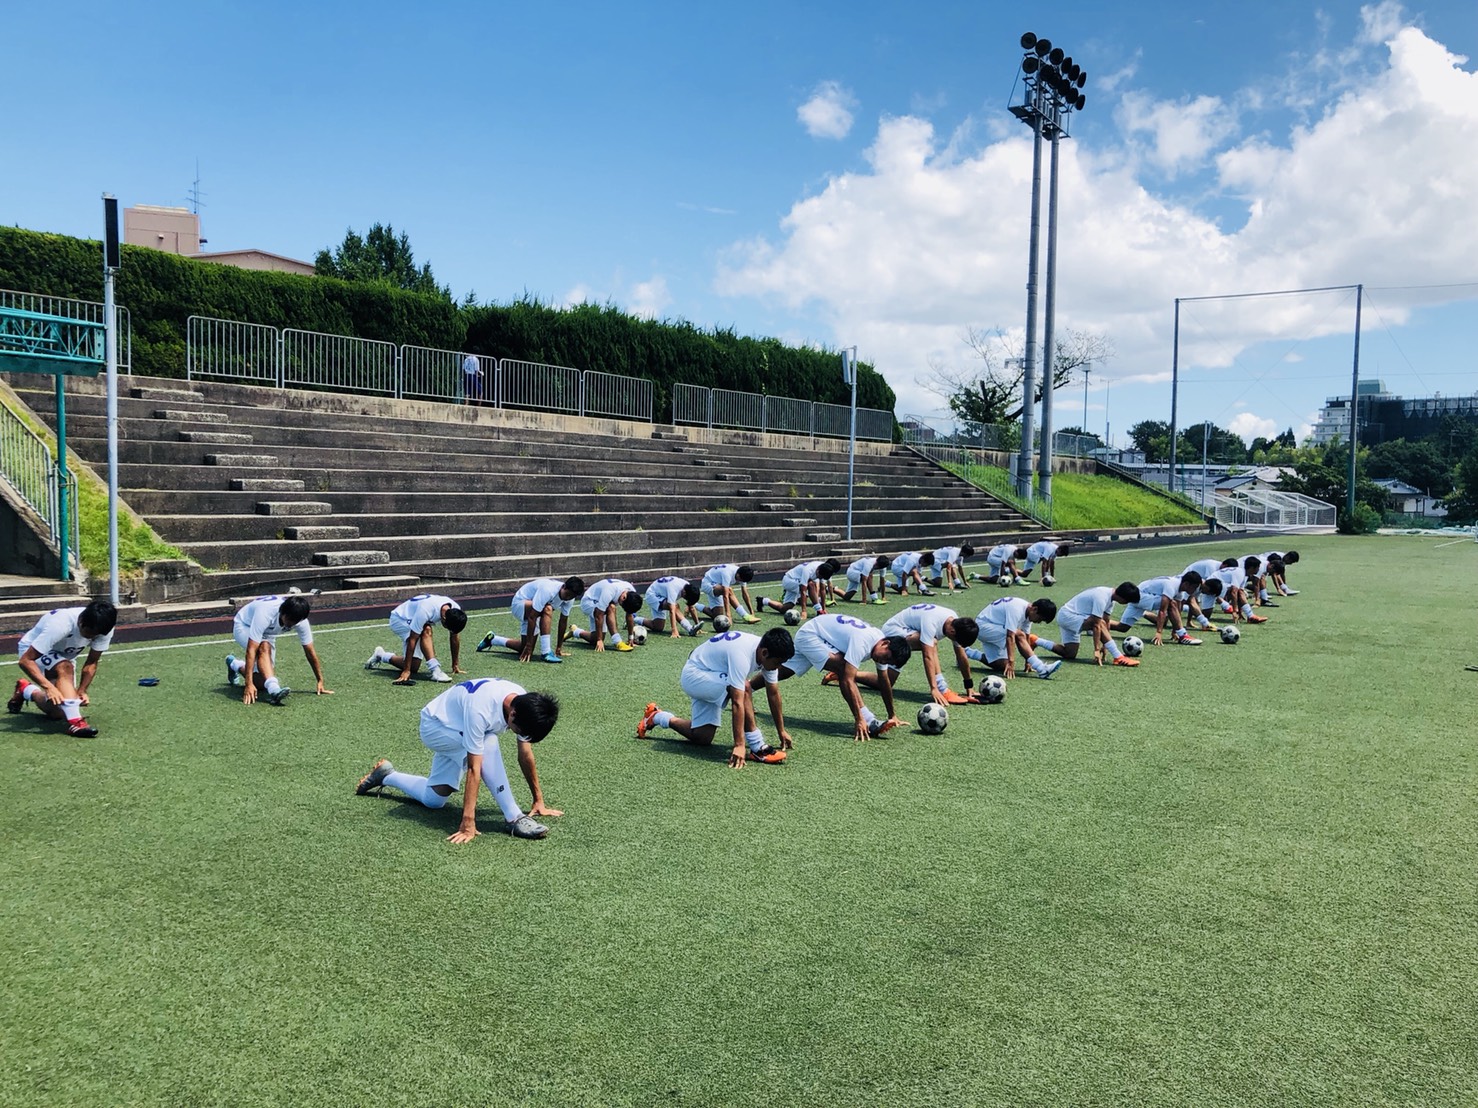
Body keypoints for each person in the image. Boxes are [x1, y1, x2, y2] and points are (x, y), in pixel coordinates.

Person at [355, 678, 560, 844]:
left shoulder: (523, 702)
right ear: (513, 714)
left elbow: (525, 754)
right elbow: (473, 769)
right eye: (520, 732)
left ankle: (387, 776)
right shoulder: (481, 709)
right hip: (435, 728)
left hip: (456, 726)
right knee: (488, 742)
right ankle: (514, 816)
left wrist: (538, 800)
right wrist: (468, 822)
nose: (519, 735)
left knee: (433, 800)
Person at [637, 628, 795, 767]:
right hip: (695, 675)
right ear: (765, 653)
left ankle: (657, 717)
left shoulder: (766, 651)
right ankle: (758, 748)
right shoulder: (742, 653)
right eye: (778, 663)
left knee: (702, 737)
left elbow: (773, 693)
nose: (779, 667)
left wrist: (781, 731)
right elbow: (738, 702)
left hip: (712, 675)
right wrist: (740, 745)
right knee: (744, 687)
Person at [772, 613, 912, 740]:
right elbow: (847, 680)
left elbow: (884, 680)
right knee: (843, 668)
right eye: (886, 658)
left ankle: (749, 687)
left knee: (783, 672)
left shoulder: (880, 643)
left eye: (888, 662)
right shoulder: (863, 641)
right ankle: (869, 719)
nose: (883, 662)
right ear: (885, 644)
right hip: (811, 635)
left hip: (820, 635)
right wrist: (859, 719)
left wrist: (892, 714)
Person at [8, 599, 119, 737]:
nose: (91, 637)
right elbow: (25, 660)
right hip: (32, 650)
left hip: (63, 655)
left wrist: (82, 690)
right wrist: (49, 687)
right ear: (81, 620)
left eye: (95, 635)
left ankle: (26, 690)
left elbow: (92, 662)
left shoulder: (104, 628)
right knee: (65, 668)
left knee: (59, 712)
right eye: (88, 632)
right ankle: (77, 723)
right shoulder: (61, 624)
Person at [845, 603, 980, 706]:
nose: (955, 642)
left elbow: (961, 655)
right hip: (894, 631)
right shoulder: (932, 621)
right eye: (956, 640)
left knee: (885, 683)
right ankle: (943, 688)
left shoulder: (956, 623)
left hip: (909, 632)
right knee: (931, 642)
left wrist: (969, 687)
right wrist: (935, 689)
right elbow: (927, 655)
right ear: (952, 632)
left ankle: (846, 675)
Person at [225, 593, 332, 704]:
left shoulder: (300, 622)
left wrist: (320, 680)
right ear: (282, 612)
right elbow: (251, 649)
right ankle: (274, 691)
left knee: (261, 682)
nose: (291, 625)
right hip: (244, 625)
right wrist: (248, 684)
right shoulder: (265, 613)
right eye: (289, 620)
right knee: (264, 646)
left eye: (295, 622)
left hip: (268, 633)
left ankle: (234, 664)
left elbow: (309, 651)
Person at [365, 593, 468, 684]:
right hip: (399, 619)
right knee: (426, 630)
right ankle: (435, 670)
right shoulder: (426, 610)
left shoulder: (455, 610)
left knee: (414, 666)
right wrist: (406, 671)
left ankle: (381, 655)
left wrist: (455, 665)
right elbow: (412, 639)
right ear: (444, 619)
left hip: (412, 618)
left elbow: (454, 637)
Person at [477, 576, 584, 663]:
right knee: (547, 609)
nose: (568, 598)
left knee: (524, 649)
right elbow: (532, 617)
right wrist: (529, 644)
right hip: (520, 604)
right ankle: (546, 652)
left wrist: (559, 648)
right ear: (564, 586)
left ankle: (492, 639)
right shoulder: (548, 589)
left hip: (535, 612)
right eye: (567, 594)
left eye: (572, 596)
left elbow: (563, 621)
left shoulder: (570, 598)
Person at [1034, 583, 1142, 666]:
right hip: (1068, 616)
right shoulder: (1102, 597)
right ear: (1123, 598)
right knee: (1099, 622)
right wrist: (1096, 649)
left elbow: (1107, 621)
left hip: (1074, 617)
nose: (1126, 604)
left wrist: (1105, 646)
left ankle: (1035, 640)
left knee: (1069, 654)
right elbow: (1096, 624)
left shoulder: (1111, 599)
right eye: (1128, 601)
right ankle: (1118, 657)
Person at [964, 595, 1062, 679]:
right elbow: (1010, 636)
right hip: (983, 626)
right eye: (1040, 619)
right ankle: (1042, 668)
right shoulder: (1016, 608)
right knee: (1018, 634)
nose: (1038, 622)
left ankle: (968, 653)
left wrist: (1028, 661)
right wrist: (1012, 662)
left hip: (994, 627)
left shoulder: (1029, 613)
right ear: (1035, 609)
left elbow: (1026, 636)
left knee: (1002, 665)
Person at [1111, 572, 1204, 645]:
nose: (1195, 590)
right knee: (1171, 603)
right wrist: (1159, 632)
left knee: (1122, 627)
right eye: (1194, 587)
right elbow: (1162, 611)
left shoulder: (1180, 591)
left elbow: (1178, 611)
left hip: (1140, 599)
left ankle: (1099, 624)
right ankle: (1183, 636)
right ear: (1187, 584)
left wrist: (1174, 631)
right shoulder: (1172, 585)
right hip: (1140, 596)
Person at [567, 577, 643, 651]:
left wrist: (631, 638)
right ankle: (617, 642)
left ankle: (575, 631)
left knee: (594, 639)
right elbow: (598, 615)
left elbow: (629, 615)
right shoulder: (610, 591)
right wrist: (600, 640)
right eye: (622, 606)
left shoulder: (631, 591)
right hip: (588, 602)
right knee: (611, 607)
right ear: (623, 597)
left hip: (600, 604)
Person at [760, 559, 839, 619]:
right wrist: (804, 611)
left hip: (796, 583)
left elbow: (822, 590)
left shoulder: (825, 569)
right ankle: (819, 610)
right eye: (819, 576)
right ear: (818, 571)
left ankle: (763, 601)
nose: (819, 578)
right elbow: (803, 591)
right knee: (811, 584)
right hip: (789, 580)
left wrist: (824, 609)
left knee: (784, 609)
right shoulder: (808, 570)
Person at [636, 576, 702, 638]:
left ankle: (635, 619)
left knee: (658, 627)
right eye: (685, 597)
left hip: (661, 595)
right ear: (684, 592)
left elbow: (692, 608)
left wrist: (697, 625)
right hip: (652, 595)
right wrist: (674, 631)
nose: (684, 598)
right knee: (674, 606)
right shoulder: (674, 588)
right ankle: (690, 628)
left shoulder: (688, 587)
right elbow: (672, 611)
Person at [697, 563, 762, 624]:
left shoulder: (742, 574)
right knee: (729, 590)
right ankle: (745, 615)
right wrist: (729, 616)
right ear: (738, 575)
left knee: (718, 616)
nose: (740, 581)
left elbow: (745, 594)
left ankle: (694, 606)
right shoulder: (727, 573)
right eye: (740, 580)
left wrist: (752, 612)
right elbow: (725, 595)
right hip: (707, 583)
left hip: (718, 585)